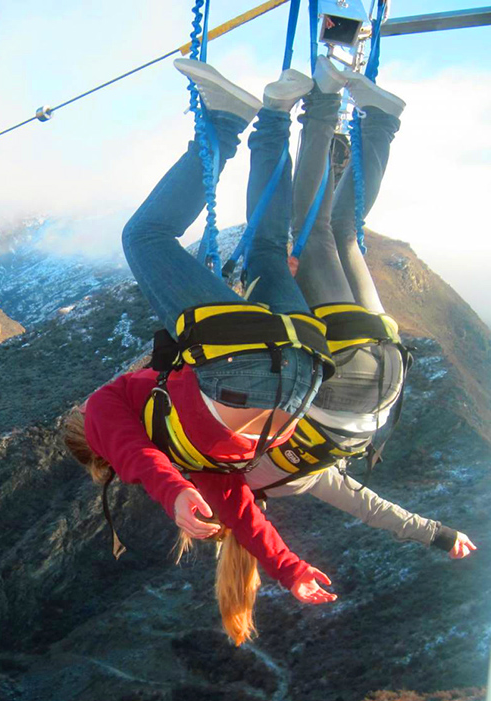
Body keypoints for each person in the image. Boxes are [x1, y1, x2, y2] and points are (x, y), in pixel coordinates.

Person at [67, 59, 343, 646]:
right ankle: (225, 122)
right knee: (143, 238)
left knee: (269, 249)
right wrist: (176, 494)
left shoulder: (198, 462)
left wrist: (291, 571)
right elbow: (140, 457)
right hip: (239, 371)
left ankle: (274, 118)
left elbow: (245, 513)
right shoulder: (103, 415)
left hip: (303, 367)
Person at [244, 56, 476, 559]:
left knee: (344, 234)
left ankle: (381, 121)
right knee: (312, 228)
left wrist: (440, 534)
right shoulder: (234, 464)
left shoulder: (308, 481)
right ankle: (325, 101)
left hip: (387, 371)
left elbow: (373, 508)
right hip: (343, 373)